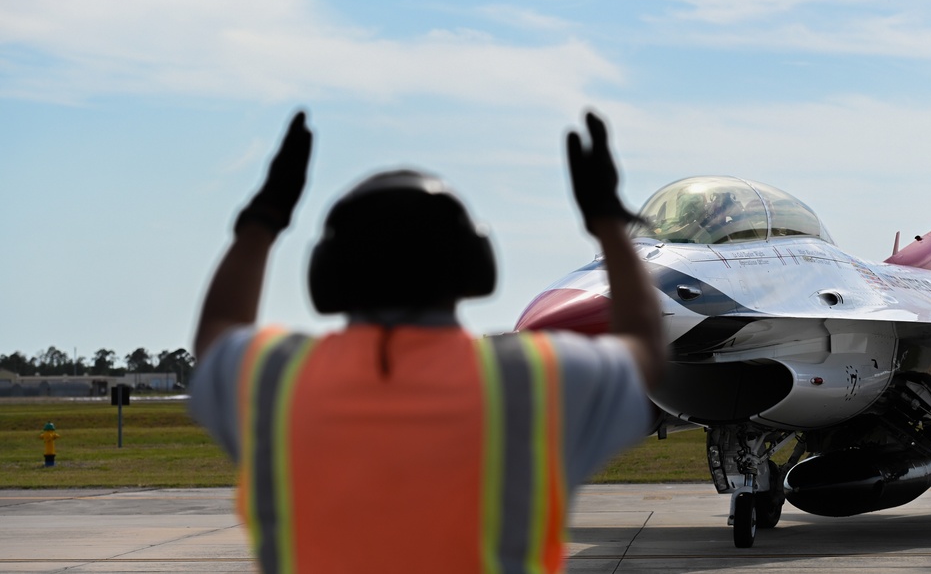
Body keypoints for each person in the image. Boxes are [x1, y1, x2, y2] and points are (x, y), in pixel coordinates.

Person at [189, 109, 667, 573]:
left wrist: (265, 216)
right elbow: (644, 344)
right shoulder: (530, 380)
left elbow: (217, 333)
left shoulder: (277, 381)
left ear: (326, 274)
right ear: (474, 266)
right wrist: (608, 222)